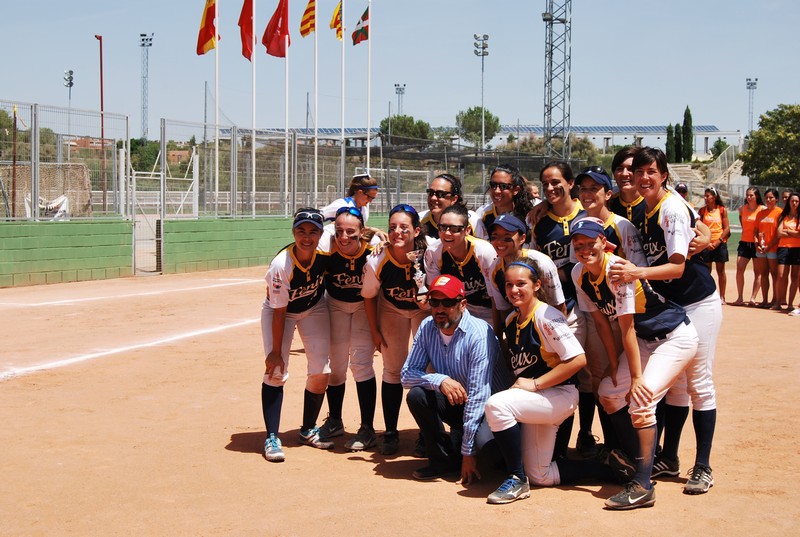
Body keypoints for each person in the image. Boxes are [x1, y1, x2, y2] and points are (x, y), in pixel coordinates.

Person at [610, 147, 721, 495]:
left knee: (698, 383)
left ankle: (702, 465)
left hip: (698, 301)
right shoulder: (645, 208)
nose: (643, 178)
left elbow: (677, 266)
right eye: (638, 171)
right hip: (672, 304)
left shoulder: (670, 207)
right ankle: (669, 457)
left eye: (650, 172)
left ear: (663, 175)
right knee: (674, 387)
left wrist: (636, 272)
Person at [569, 219, 699, 510]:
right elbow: (603, 321)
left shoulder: (617, 271)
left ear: (603, 241)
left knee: (641, 401)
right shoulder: (580, 273)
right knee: (608, 392)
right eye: (578, 244)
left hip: (673, 337)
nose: (585, 248)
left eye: (591, 242)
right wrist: (613, 363)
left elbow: (626, 327)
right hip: (644, 340)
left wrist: (637, 379)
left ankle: (643, 484)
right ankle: (637, 458)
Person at [483, 258, 634, 505]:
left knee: (497, 405)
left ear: (537, 285)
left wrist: (535, 384)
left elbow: (577, 360)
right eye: (509, 285)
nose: (513, 290)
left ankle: (516, 478)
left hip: (558, 395)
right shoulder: (512, 320)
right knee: (540, 475)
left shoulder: (546, 315)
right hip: (538, 400)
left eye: (521, 283)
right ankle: (610, 469)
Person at [401, 275, 503, 483]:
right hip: (460, 401)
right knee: (417, 395)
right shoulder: (427, 327)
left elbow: (478, 396)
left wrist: (468, 453)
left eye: (447, 302)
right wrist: (439, 380)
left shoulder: (479, 334)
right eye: (434, 302)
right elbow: (406, 375)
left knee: (491, 453)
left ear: (462, 304)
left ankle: (464, 445)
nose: (440, 309)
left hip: (491, 409)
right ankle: (443, 460)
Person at [532, 161, 598, 459]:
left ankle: (585, 433)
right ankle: (559, 441)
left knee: (585, 374)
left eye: (557, 182)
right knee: (562, 373)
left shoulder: (588, 216)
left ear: (571, 183)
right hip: (554, 309)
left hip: (586, 306)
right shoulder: (540, 222)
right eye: (545, 183)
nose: (550, 188)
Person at [261, 208, 333, 463]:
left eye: (313, 232)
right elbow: (280, 311)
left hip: (313, 308)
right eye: (301, 231)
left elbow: (356, 236)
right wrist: (275, 352)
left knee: (322, 371)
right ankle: (271, 436)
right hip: (280, 312)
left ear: (321, 234)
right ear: (293, 232)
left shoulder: (326, 249)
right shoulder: (282, 264)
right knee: (276, 370)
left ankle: (307, 429)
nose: (306, 237)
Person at [362, 204, 430, 455]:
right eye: (392, 228)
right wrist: (375, 332)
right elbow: (369, 297)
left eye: (404, 228)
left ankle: (427, 432)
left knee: (428, 367)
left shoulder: (430, 251)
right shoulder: (377, 259)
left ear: (416, 230)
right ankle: (390, 431)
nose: (397, 233)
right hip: (392, 309)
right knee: (392, 368)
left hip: (424, 310)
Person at [318, 207, 378, 450]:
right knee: (336, 365)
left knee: (362, 363)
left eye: (351, 232)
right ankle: (335, 420)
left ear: (361, 231)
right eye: (339, 231)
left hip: (365, 307)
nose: (344, 237)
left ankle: (367, 428)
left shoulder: (373, 253)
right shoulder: (327, 250)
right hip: (336, 305)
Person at [485, 213, 565, 338]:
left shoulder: (541, 263)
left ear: (522, 238)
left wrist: (559, 337)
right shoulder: (494, 269)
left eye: (507, 237)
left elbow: (558, 305)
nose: (499, 241)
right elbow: (503, 309)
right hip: (523, 324)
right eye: (494, 237)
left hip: (557, 319)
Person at [424, 204, 497, 323]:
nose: (447, 233)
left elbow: (495, 298)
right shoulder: (433, 252)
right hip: (454, 308)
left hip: (486, 309)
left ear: (467, 230)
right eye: (442, 227)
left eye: (454, 229)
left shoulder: (484, 252)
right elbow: (436, 295)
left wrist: (497, 332)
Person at [419, 173, 487, 242]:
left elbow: (485, 248)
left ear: (454, 199)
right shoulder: (420, 220)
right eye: (430, 193)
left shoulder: (471, 219)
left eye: (440, 194)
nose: (433, 198)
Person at [474, 164, 535, 238]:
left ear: (516, 190)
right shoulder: (482, 213)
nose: (497, 191)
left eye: (503, 186)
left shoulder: (530, 212)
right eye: (493, 185)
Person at [321, 173, 385, 240]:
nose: (370, 201)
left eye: (372, 198)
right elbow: (318, 215)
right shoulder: (342, 204)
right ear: (360, 192)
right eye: (369, 197)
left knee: (376, 239)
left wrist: (375, 231)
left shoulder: (364, 210)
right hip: (335, 244)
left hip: (350, 245)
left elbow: (357, 229)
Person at [731, 187, 765, 306]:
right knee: (740, 268)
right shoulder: (742, 209)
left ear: (757, 196)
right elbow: (743, 223)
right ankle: (740, 297)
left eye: (751, 195)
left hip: (756, 243)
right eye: (747, 195)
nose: (749, 197)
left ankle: (753, 298)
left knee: (758, 271)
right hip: (744, 243)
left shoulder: (762, 209)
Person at [697, 187, 731, 304]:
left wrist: (718, 241)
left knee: (721, 271)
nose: (705, 198)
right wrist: (706, 242)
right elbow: (699, 227)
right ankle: (708, 296)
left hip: (719, 244)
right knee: (706, 271)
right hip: (706, 245)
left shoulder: (722, 210)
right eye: (705, 196)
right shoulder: (702, 211)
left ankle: (722, 297)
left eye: (708, 196)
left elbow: (726, 228)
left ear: (714, 197)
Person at [755, 189, 782, 308]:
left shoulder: (779, 213)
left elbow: (778, 234)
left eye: (771, 198)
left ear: (776, 199)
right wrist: (757, 243)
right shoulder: (761, 213)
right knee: (764, 273)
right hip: (761, 248)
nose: (768, 200)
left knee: (774, 274)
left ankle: (775, 300)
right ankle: (764, 300)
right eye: (766, 198)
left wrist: (769, 246)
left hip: (773, 248)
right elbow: (756, 231)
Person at [775, 191, 800, 314]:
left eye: (796, 201)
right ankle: (778, 302)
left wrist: (787, 231)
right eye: (792, 201)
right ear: (788, 202)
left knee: (794, 277)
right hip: (783, 248)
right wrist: (793, 232)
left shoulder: (799, 217)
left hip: (797, 249)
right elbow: (779, 233)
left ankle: (790, 304)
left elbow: (799, 235)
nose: (794, 203)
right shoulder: (783, 216)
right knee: (781, 276)